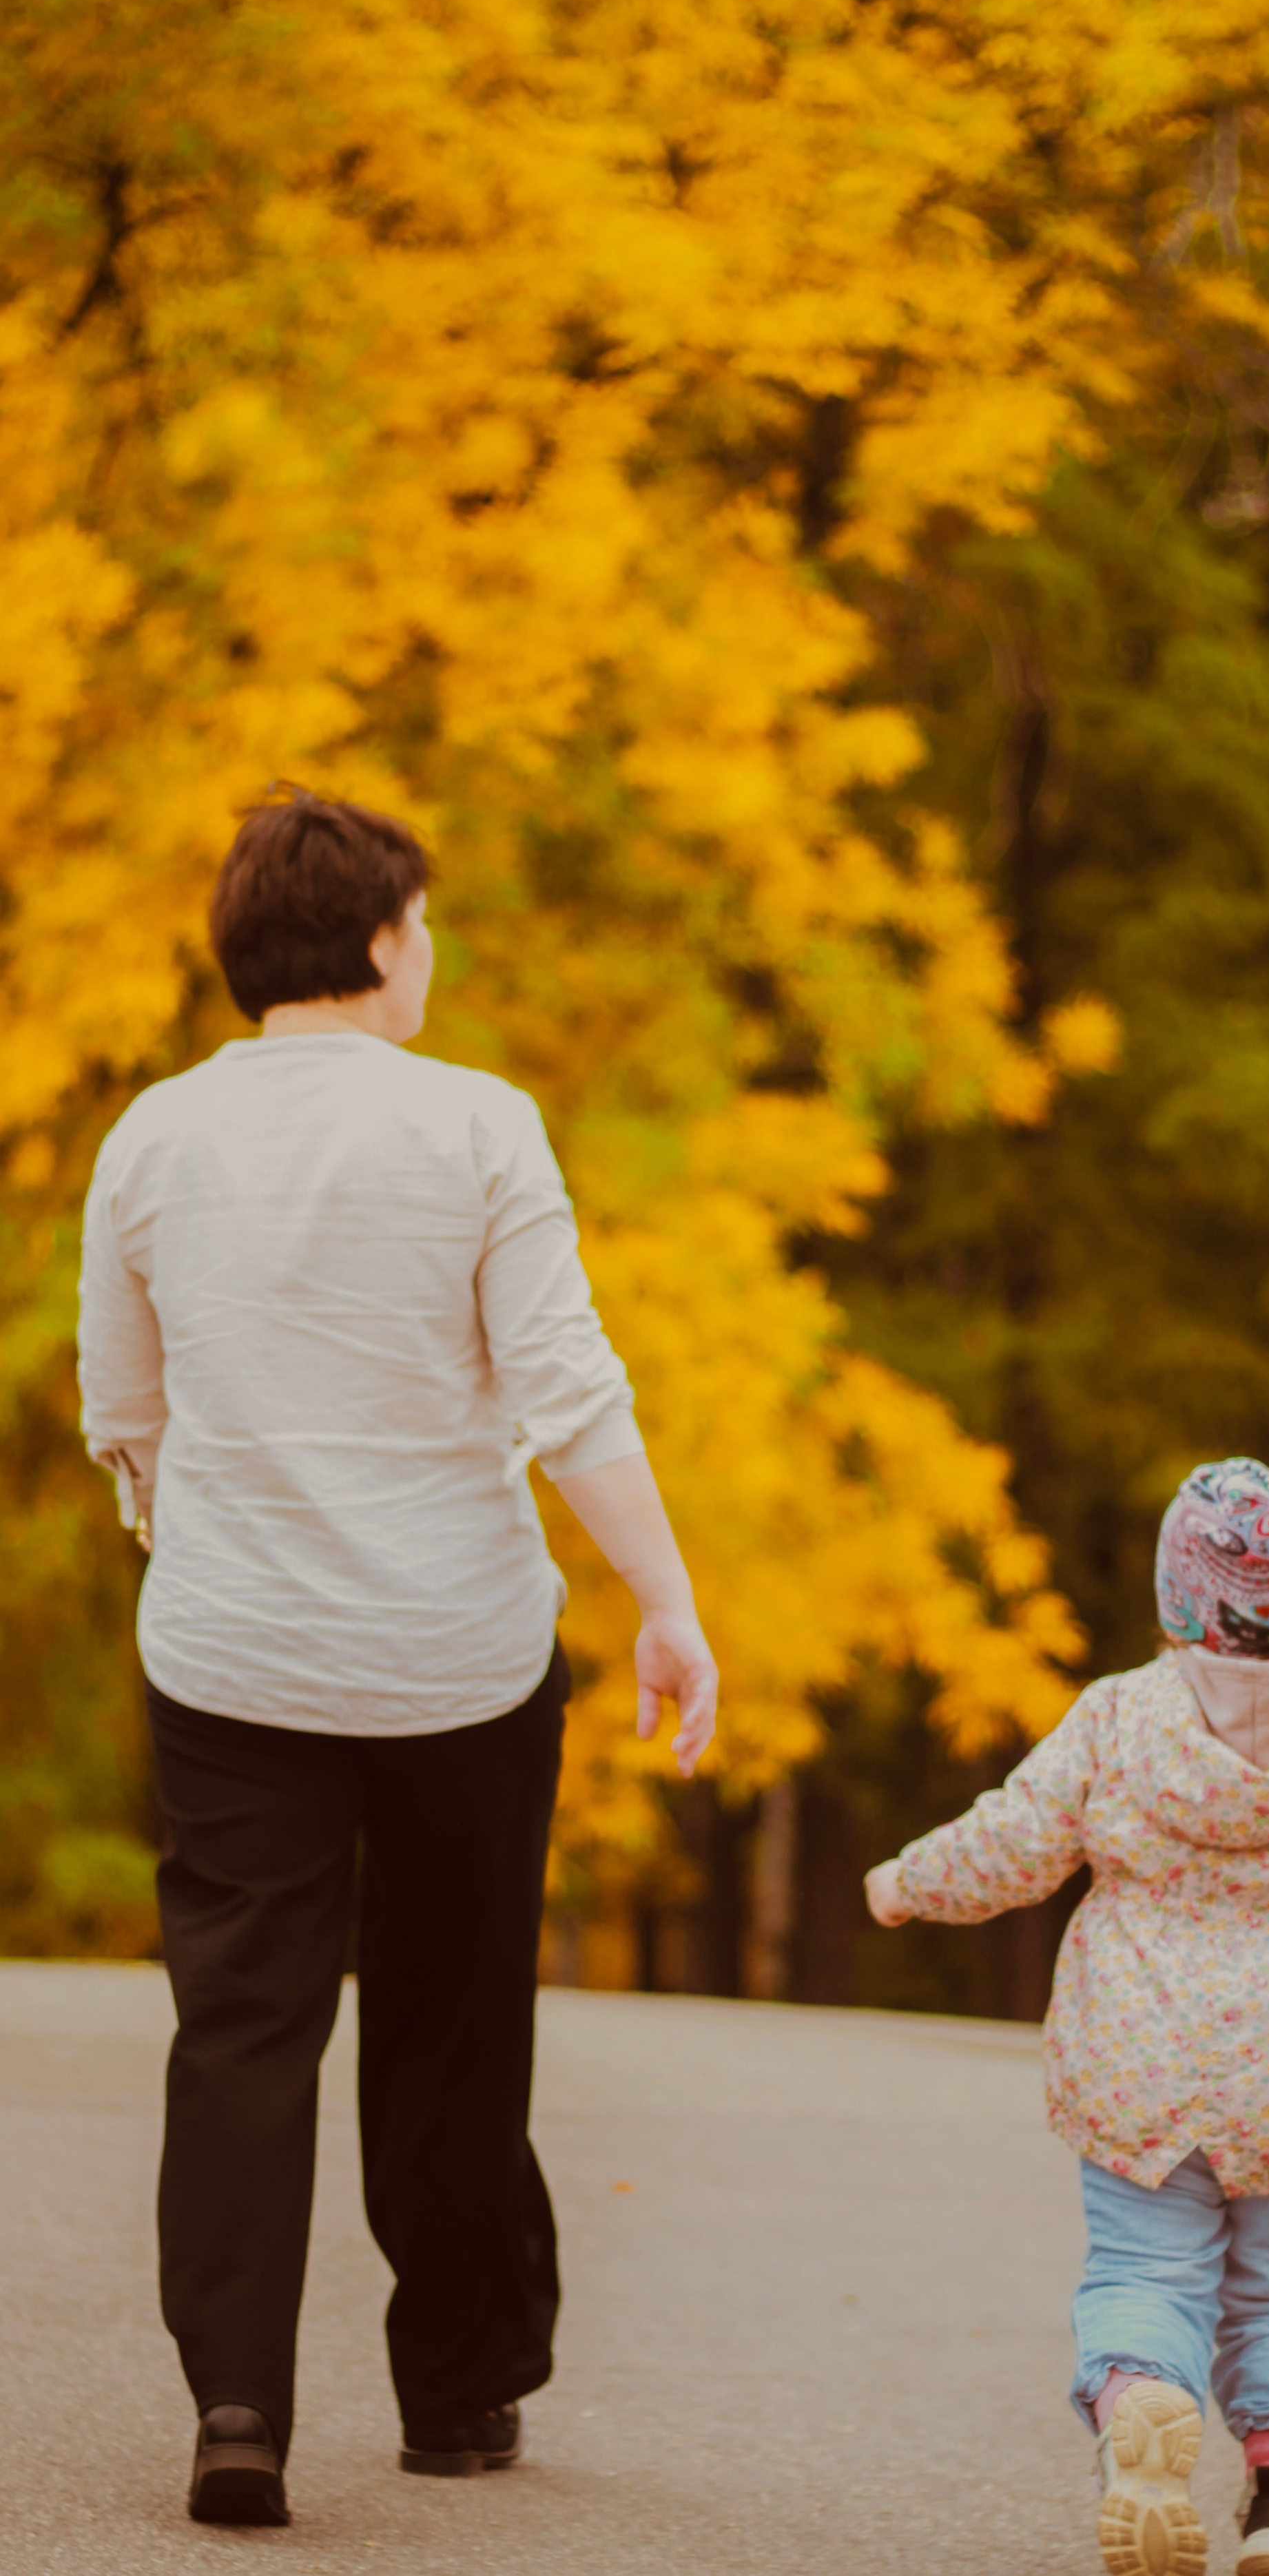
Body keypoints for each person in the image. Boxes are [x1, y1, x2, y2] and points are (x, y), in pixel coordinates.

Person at [76, 789, 718, 2528]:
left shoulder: (149, 1138)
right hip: (461, 1656)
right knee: (450, 2012)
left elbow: (122, 1411)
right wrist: (662, 1592)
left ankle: (236, 2404)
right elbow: (568, 1388)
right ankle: (456, 2389)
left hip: (230, 1658)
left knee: (242, 2024)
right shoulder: (477, 1127)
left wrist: (213, 1532)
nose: (431, 954)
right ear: (378, 940)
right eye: (424, 926)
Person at [865, 1456, 1269, 2576]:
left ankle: (1143, 2406)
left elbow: (1016, 1838)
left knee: (1143, 2270)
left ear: (1174, 1594)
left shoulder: (1120, 1718)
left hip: (1143, 2053)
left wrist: (910, 1880)